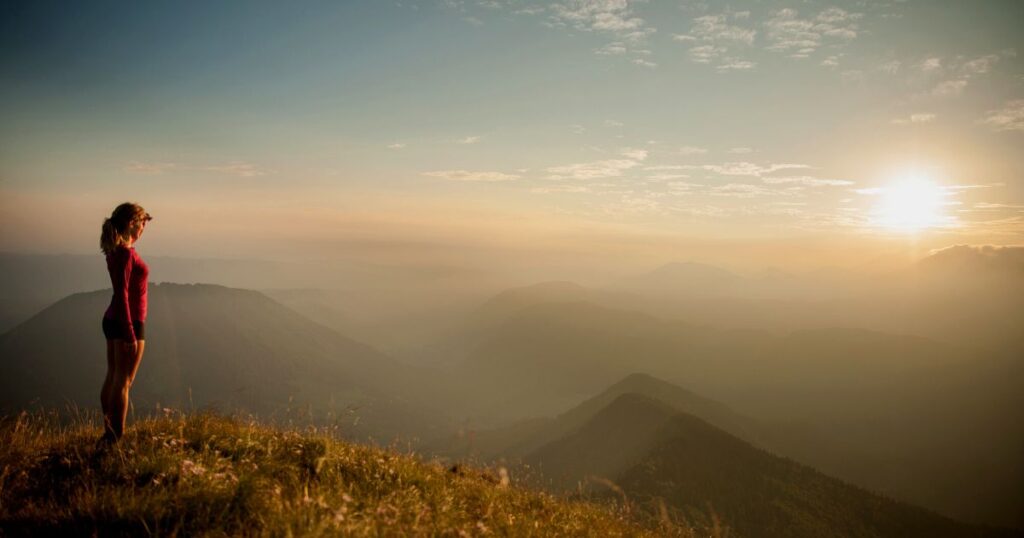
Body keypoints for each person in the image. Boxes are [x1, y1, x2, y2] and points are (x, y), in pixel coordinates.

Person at [99, 202, 152, 443]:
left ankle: (109, 431)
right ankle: (115, 436)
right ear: (131, 223)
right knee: (124, 381)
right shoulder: (126, 254)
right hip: (128, 321)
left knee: (113, 376)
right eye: (142, 223)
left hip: (115, 319)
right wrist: (130, 333)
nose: (144, 228)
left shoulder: (115, 251)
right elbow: (122, 295)